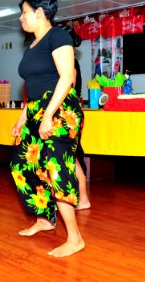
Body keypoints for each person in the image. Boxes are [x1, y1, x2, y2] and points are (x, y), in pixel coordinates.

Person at [10, 0, 85, 257]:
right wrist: (23, 117)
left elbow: (67, 78)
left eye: (24, 12)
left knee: (56, 168)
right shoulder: (32, 45)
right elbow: (31, 86)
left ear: (40, 13)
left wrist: (48, 115)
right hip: (37, 108)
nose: (21, 17)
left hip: (60, 108)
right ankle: (44, 218)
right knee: (21, 164)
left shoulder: (58, 37)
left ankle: (75, 238)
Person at [64, 25, 91, 210]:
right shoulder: (67, 59)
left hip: (69, 111)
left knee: (70, 155)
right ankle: (79, 198)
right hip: (68, 110)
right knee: (69, 154)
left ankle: (82, 198)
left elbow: (68, 86)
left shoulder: (69, 60)